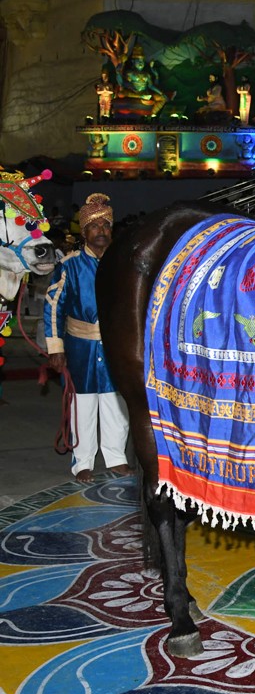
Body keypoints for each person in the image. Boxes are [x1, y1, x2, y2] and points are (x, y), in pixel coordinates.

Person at [44, 193, 131, 483]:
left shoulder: (122, 264)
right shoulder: (68, 266)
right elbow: (53, 306)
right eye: (94, 227)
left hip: (115, 345)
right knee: (82, 403)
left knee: (114, 401)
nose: (101, 232)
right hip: (79, 344)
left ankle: (116, 458)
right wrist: (55, 347)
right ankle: (82, 462)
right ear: (84, 232)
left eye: (105, 226)